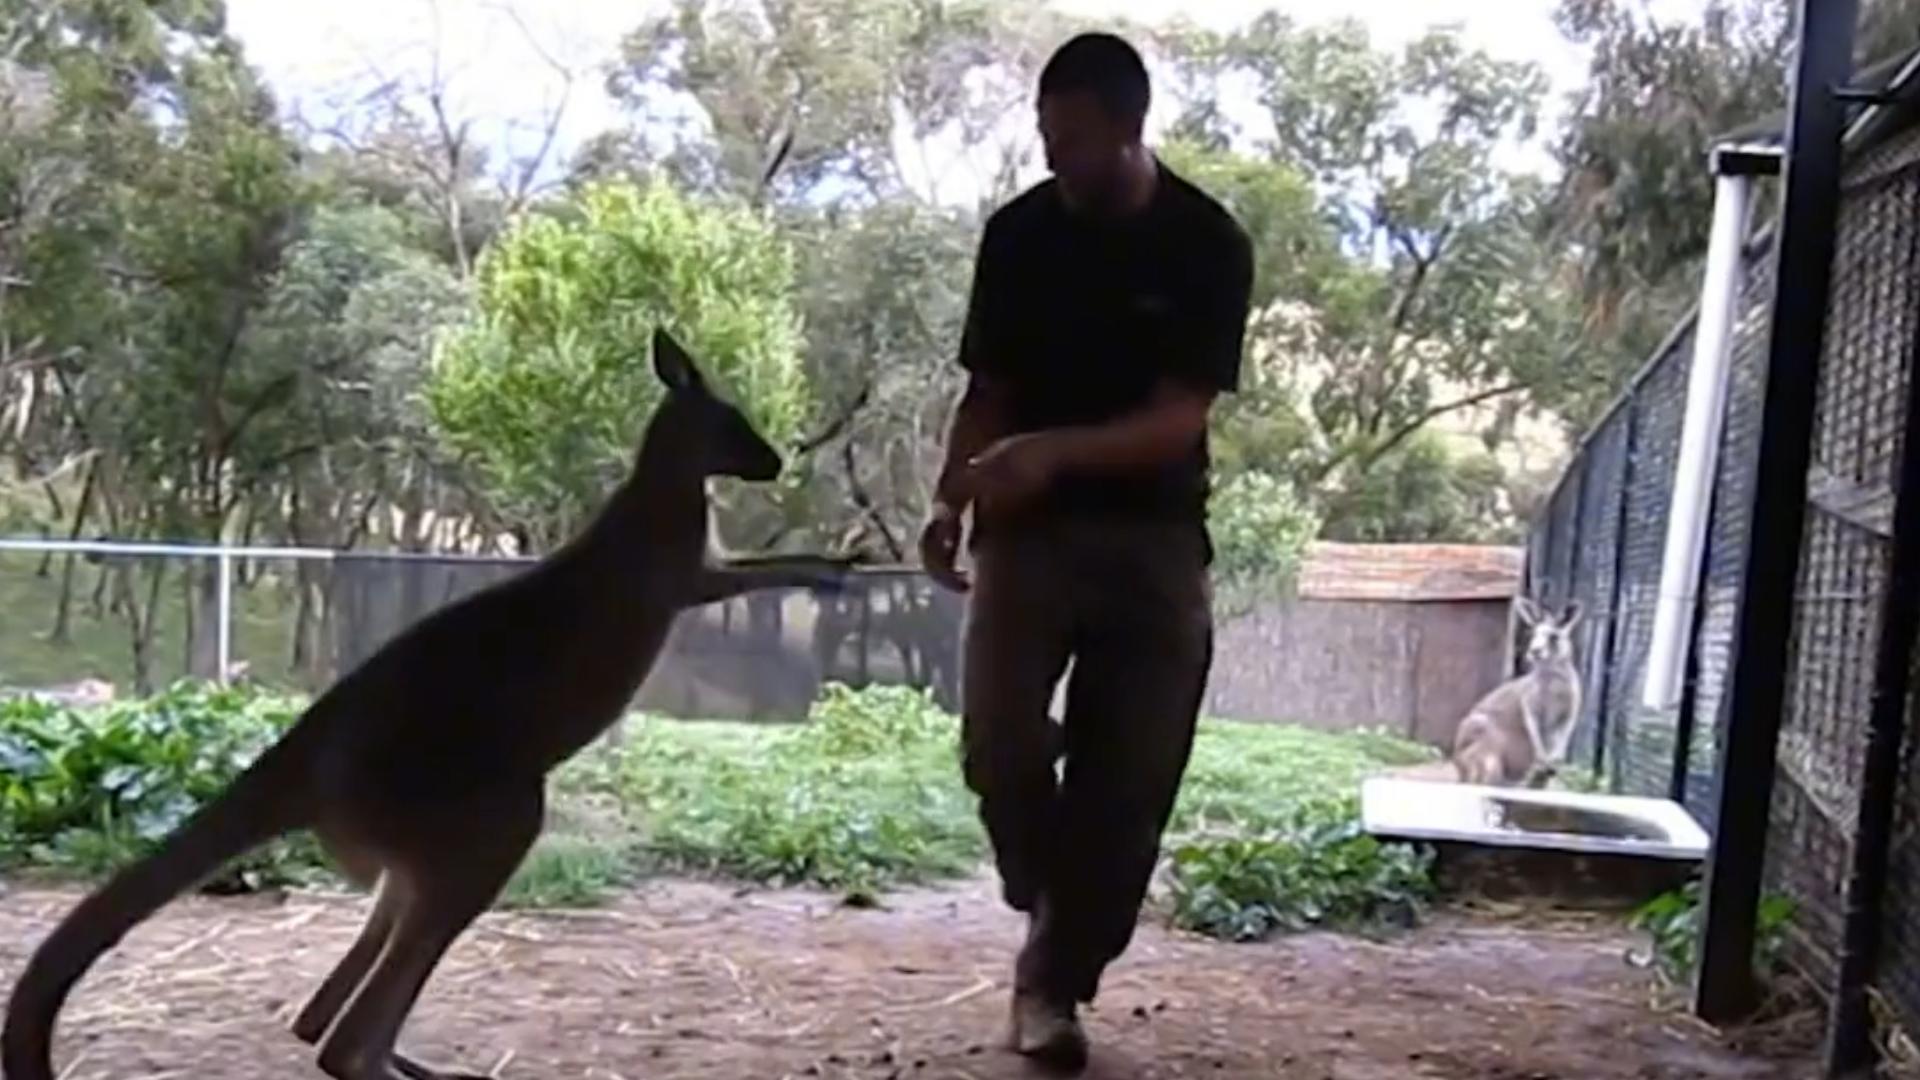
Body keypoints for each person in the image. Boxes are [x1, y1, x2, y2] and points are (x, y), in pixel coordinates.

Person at [918, 29, 1255, 1073]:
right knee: (1001, 744)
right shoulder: (1018, 237)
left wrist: (1048, 454)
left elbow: (1176, 419)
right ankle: (1049, 896)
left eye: (1072, 142)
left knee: (1132, 777)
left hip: (1153, 534)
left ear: (1128, 128)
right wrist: (949, 498)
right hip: (1029, 535)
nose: (1054, 161)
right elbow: (991, 391)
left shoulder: (1207, 243)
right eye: (1043, 137)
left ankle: (1050, 987)